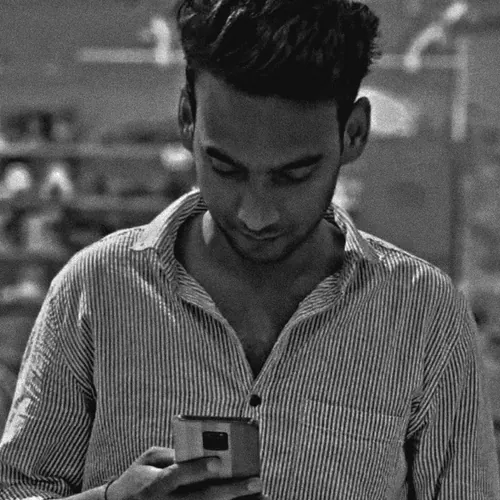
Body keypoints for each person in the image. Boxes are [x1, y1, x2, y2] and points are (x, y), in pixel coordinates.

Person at [1, 0, 499, 498]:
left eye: (294, 175)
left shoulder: (424, 313)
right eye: (226, 168)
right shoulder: (97, 288)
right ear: (187, 118)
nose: (255, 215)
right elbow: (19, 488)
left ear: (353, 133)